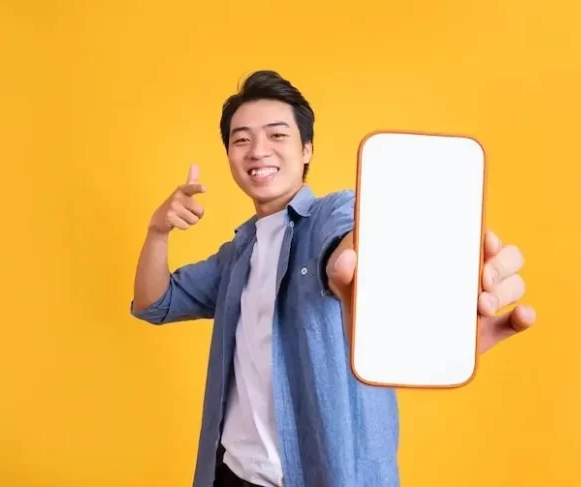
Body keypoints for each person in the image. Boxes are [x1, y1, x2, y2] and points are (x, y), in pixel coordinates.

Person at [130, 70, 536, 487]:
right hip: (233, 474)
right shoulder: (237, 254)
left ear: (307, 149)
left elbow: (347, 251)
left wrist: (390, 284)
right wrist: (158, 231)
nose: (258, 151)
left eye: (277, 135)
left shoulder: (335, 212)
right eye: (241, 139)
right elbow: (153, 303)